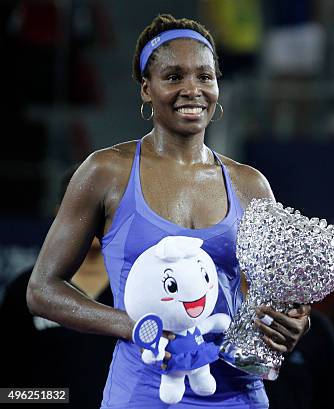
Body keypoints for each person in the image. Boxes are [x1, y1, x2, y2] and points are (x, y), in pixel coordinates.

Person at [26, 14, 310, 409]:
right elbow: (42, 290)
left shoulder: (251, 184)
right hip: (142, 395)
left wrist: (292, 323)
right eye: (174, 77)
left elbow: (271, 298)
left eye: (204, 77)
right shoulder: (106, 171)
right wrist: (134, 326)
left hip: (238, 395)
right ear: (146, 88)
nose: (192, 89)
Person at [0, 164, 114, 409]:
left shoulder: (140, 290)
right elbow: (7, 392)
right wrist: (60, 397)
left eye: (104, 206)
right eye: (83, 207)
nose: (94, 217)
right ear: (58, 214)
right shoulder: (26, 289)